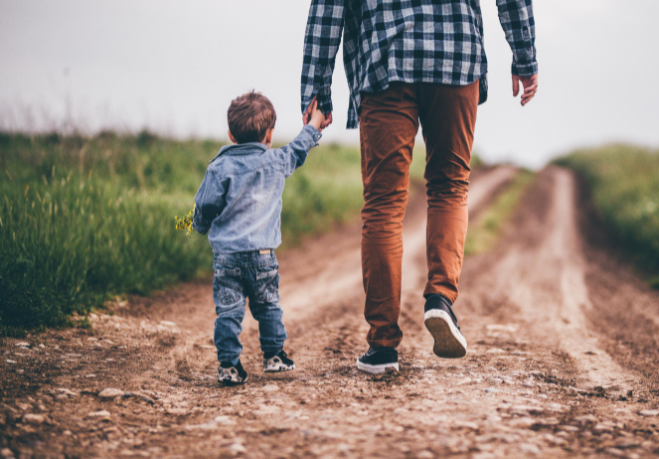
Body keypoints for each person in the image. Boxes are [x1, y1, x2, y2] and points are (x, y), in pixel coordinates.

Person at [300, 0, 539, 374]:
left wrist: (317, 87)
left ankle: (382, 344)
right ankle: (440, 299)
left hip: (386, 58)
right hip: (456, 54)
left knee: (383, 203)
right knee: (450, 186)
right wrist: (524, 56)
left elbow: (328, 8)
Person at [192, 91, 325, 385]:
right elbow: (299, 147)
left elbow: (205, 206)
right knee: (268, 306)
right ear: (269, 134)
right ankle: (274, 356)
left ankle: (229, 366)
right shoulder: (276, 161)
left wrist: (197, 226)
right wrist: (315, 123)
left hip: (227, 258)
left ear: (231, 134)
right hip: (263, 257)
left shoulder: (218, 168)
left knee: (228, 311)